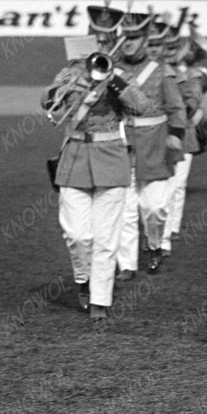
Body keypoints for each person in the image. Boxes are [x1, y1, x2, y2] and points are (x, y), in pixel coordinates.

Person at [42, 31, 132, 319]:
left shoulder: (121, 74)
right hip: (75, 159)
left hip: (111, 159)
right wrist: (67, 89)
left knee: (106, 238)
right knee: (78, 236)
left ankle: (100, 301)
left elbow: (144, 107)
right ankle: (84, 279)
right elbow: (47, 103)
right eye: (99, 41)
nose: (103, 46)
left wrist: (115, 81)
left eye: (108, 41)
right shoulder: (71, 72)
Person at [114, 10, 187, 276]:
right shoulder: (113, 70)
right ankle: (127, 265)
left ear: (145, 40)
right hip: (121, 145)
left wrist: (176, 134)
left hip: (155, 145)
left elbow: (176, 106)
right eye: (126, 37)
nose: (129, 43)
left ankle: (155, 245)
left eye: (134, 37)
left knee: (154, 208)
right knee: (125, 210)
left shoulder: (161, 70)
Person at [161, 28, 207, 256]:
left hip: (183, 133)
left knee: (177, 185)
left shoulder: (192, 75)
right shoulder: (162, 70)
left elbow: (192, 102)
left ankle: (172, 228)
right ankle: (164, 229)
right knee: (164, 184)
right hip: (158, 131)